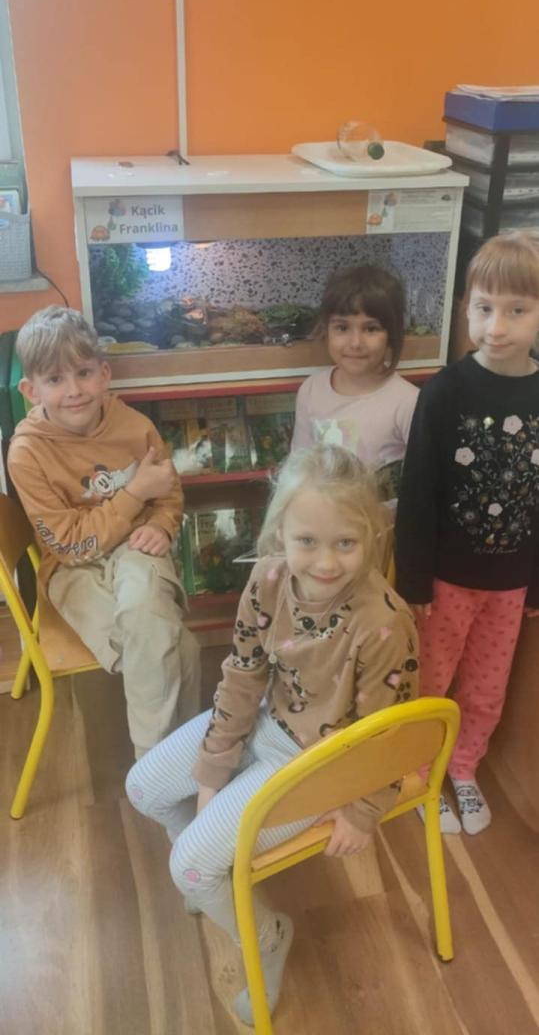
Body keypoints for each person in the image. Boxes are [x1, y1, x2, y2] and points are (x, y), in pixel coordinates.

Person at [126, 444, 418, 1024]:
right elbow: (243, 674)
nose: (326, 562)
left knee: (189, 868)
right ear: (279, 531)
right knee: (142, 789)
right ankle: (212, 873)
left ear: (371, 537)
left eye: (345, 543)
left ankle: (267, 935)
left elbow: (386, 733)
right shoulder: (266, 577)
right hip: (264, 720)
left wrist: (363, 810)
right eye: (307, 540)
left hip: (320, 765)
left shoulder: (385, 624)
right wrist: (215, 766)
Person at [395, 232, 539, 835]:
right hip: (445, 582)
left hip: (510, 586)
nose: (496, 327)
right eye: (484, 308)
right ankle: (418, 774)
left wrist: (534, 585)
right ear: (466, 309)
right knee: (431, 682)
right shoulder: (444, 392)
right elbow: (418, 493)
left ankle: (464, 768)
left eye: (517, 310)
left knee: (486, 688)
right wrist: (413, 581)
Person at [8, 305, 200, 758]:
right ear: (31, 391)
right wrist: (134, 495)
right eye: (55, 379)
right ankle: (180, 762)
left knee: (148, 626)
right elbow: (71, 546)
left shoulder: (136, 427)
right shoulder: (26, 453)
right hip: (71, 569)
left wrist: (161, 523)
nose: (74, 390)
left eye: (84, 373)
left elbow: (168, 492)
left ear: (104, 374)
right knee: (172, 644)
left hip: (136, 547)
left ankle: (153, 767)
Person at [291, 265, 418, 504]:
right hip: (323, 519)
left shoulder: (409, 402)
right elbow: (299, 469)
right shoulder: (311, 390)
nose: (355, 342)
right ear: (326, 330)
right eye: (342, 328)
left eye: (371, 329)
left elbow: (420, 484)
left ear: (391, 335)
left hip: (381, 525)